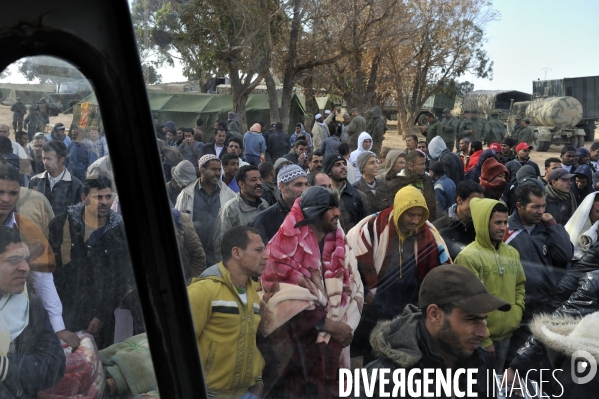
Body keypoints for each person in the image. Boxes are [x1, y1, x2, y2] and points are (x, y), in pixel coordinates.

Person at [259, 187, 364, 399]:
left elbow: (353, 284)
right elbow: (277, 298)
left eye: (337, 208)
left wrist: (341, 323)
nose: (337, 213)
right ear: (314, 212)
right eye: (330, 209)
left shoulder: (339, 242)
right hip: (296, 352)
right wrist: (327, 325)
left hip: (336, 345)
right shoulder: (283, 247)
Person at [357, 265, 510, 398]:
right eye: (471, 319)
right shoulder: (380, 381)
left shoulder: (481, 361)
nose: (484, 333)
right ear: (435, 315)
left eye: (483, 319)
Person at [346, 186, 450, 364]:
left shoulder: (428, 235)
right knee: (375, 353)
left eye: (419, 215)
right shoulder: (371, 229)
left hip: (410, 304)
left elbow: (441, 268)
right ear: (400, 210)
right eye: (411, 215)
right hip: (377, 303)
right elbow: (351, 267)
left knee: (408, 353)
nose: (415, 220)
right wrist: (365, 292)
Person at [48, 176, 133, 349]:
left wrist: (101, 315)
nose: (104, 202)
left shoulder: (119, 231)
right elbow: (50, 272)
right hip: (66, 314)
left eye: (108, 197)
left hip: (102, 319)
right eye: (98, 197)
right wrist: (56, 320)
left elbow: (121, 278)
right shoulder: (62, 225)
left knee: (98, 365)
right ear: (84, 198)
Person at [187, 226, 265, 399]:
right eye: (259, 250)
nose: (266, 256)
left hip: (246, 394)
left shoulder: (254, 295)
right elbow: (179, 348)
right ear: (236, 253)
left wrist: (258, 381)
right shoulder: (203, 291)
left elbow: (250, 342)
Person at [504, 183, 573, 363]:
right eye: (535, 206)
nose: (541, 211)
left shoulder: (546, 228)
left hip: (545, 306)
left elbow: (565, 254)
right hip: (518, 308)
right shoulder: (505, 231)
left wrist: (552, 225)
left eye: (543, 206)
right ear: (519, 206)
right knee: (515, 360)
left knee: (541, 360)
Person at [455, 199, 525, 373]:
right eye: (497, 222)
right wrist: (484, 340)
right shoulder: (468, 257)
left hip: (508, 335)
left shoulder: (512, 253)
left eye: (505, 222)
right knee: (478, 386)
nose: (502, 227)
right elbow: (468, 303)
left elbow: (519, 286)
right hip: (479, 340)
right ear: (483, 223)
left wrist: (516, 311)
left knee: (497, 385)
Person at [0, 226, 66, 399]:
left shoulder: (31, 307)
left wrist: (5, 368)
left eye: (26, 260)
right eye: (14, 260)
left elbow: (54, 365)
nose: (26, 268)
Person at [175, 154, 236, 266]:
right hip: (194, 259)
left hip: (220, 257)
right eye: (213, 169)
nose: (218, 173)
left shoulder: (228, 194)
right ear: (202, 169)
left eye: (219, 169)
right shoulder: (186, 195)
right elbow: (178, 226)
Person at [213, 165, 269, 262]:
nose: (259, 183)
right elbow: (221, 245)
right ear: (241, 184)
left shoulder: (264, 204)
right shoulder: (230, 209)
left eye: (260, 179)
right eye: (253, 180)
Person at [250, 164, 309, 244]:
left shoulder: (310, 213)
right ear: (282, 187)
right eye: (298, 185)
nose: (304, 189)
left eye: (306, 184)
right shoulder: (263, 221)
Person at [29, 140, 83, 217]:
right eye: (43, 158)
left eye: (49, 159)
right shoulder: (35, 181)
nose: (45, 162)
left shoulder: (76, 186)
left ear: (61, 160)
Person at [434, 180, 484, 260]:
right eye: (474, 202)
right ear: (459, 200)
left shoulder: (479, 224)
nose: (477, 207)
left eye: (480, 203)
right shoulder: (439, 227)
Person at [387, 149, 437, 221]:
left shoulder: (427, 180)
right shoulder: (396, 184)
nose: (424, 167)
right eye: (421, 164)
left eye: (424, 163)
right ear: (410, 165)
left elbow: (432, 205)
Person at [322, 154, 368, 233]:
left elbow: (365, 226)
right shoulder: (322, 196)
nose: (343, 167)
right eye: (337, 165)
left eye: (344, 163)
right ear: (328, 171)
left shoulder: (358, 195)